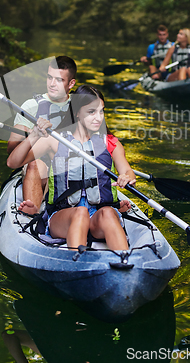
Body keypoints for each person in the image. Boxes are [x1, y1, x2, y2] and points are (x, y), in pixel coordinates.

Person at [7, 85, 136, 251]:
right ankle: (75, 262)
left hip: (98, 216)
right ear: (76, 112)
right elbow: (13, 162)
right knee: (80, 213)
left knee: (109, 213)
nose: (98, 118)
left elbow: (128, 171)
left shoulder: (110, 143)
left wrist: (127, 176)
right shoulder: (56, 140)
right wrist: (34, 135)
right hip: (64, 216)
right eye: (91, 112)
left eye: (101, 111)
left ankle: (125, 263)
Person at [7, 56, 77, 213]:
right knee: (35, 164)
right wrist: (31, 135)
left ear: (71, 84)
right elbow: (12, 150)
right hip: (40, 164)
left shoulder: (80, 106)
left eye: (59, 80)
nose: (52, 84)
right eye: (49, 77)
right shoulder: (31, 106)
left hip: (70, 163)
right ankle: (33, 212)